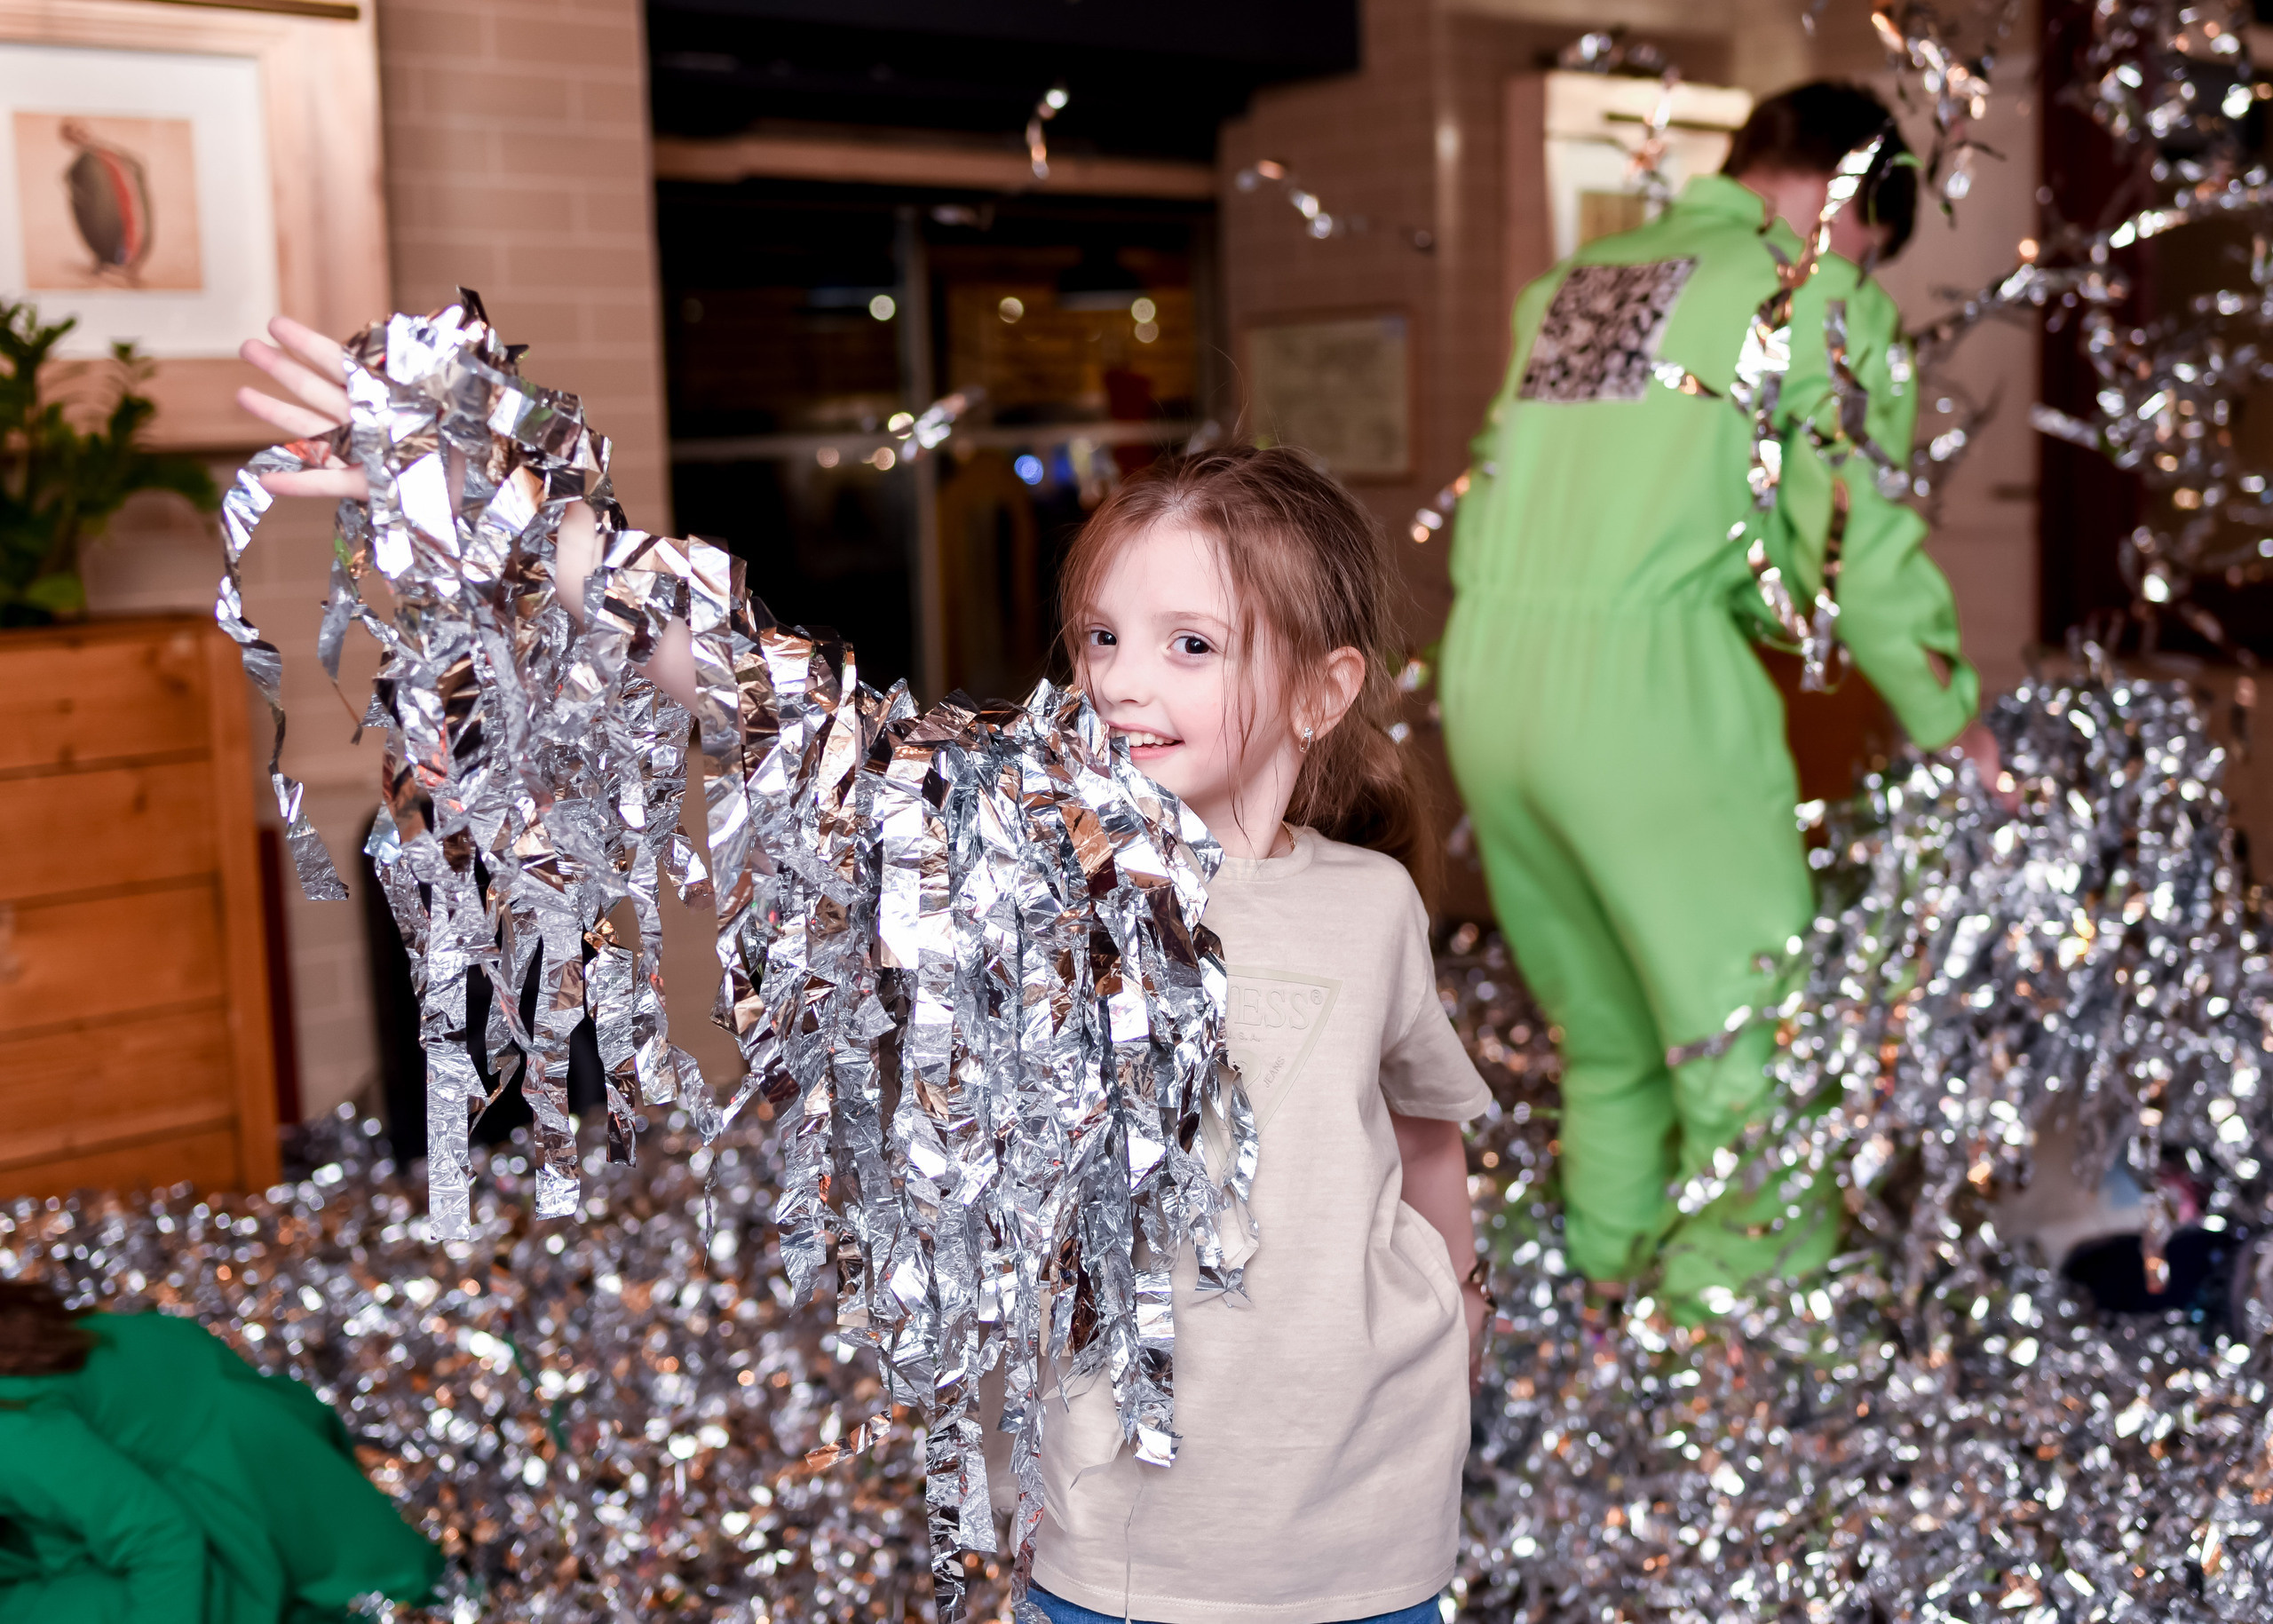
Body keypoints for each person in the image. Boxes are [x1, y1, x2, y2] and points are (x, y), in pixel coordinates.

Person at [239, 332, 1493, 1623]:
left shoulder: (1372, 902)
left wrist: (1458, 1311)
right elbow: (742, 678)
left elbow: (1415, 1119)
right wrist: (475, 487)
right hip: (1138, 1552)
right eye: (1102, 635)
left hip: (1376, 1529)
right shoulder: (1006, 846)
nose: (1121, 680)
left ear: (1322, 691)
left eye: (1192, 646)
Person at [1439, 81, 2007, 1319]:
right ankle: (1720, 1370)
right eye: (1871, 243)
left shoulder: (1580, 283)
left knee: (1608, 1030)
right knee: (1755, 1051)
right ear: (1850, 201)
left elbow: (1510, 479)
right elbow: (1857, 542)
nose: (1861, 269)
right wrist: (1952, 720)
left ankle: (1604, 1292)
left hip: (1488, 674)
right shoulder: (1815, 294)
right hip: (1645, 694)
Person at [0, 1281, 441, 1623]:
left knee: (370, 1592)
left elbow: (161, 1539)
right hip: (209, 1402)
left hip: (235, 1468)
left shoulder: (14, 1433)